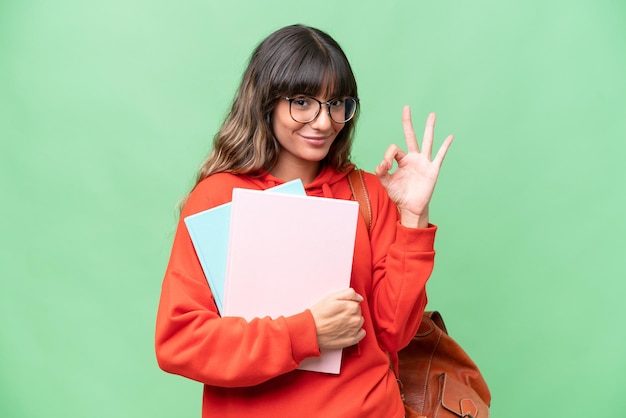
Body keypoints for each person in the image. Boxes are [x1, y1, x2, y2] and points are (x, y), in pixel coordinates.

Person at [155, 24, 453, 418]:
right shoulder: (219, 197)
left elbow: (393, 332)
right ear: (266, 101)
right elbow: (181, 341)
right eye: (303, 102)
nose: (325, 122)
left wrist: (413, 215)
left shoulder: (366, 193)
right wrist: (307, 332)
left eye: (337, 104)